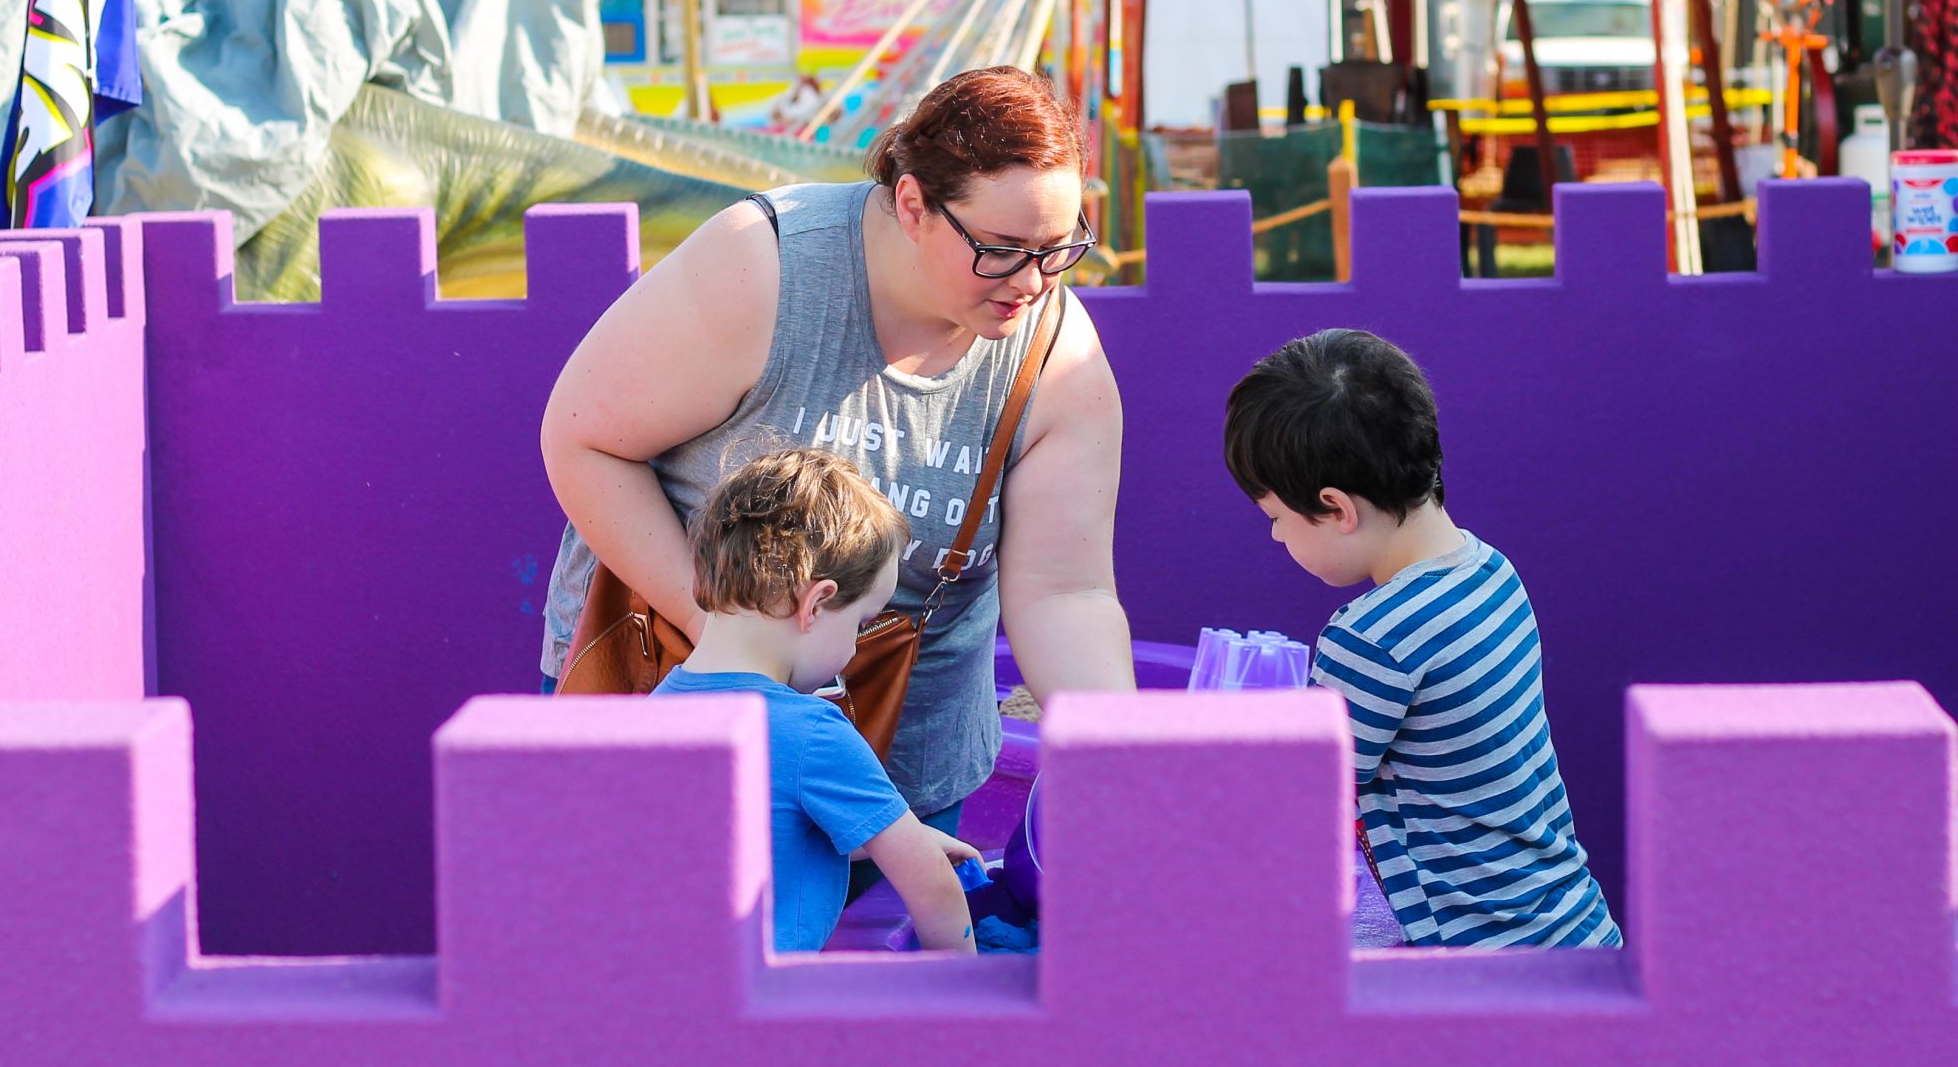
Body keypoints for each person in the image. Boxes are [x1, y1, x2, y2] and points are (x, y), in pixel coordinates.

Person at [540, 66, 1136, 853]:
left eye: (1059, 250)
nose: (1031, 282)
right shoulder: (765, 267)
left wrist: (1128, 763)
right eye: (1000, 249)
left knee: (889, 961)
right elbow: (583, 439)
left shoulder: (1057, 357)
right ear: (915, 204)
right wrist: (738, 643)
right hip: (671, 702)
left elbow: (1068, 591)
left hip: (902, 757)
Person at [1222, 329, 1620, 949]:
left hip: (1480, 958)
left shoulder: (1372, 637)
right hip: (1571, 925)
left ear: (1336, 508)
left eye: (1276, 518)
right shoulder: (1492, 572)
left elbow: (1295, 798)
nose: (1275, 538)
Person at [654, 449, 979, 953]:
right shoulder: (813, 732)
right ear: (816, 603)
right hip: (770, 1006)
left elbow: (754, 841)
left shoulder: (650, 712)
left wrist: (880, 838)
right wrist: (965, 996)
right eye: (862, 624)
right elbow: (934, 886)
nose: (854, 647)